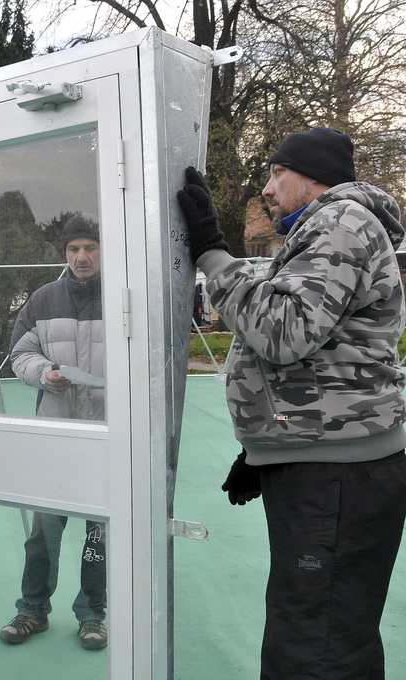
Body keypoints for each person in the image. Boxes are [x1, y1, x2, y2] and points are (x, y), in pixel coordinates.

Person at [177, 127, 406, 679]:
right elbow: (316, 352)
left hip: (339, 477)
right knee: (325, 631)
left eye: (277, 173)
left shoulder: (342, 222)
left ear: (312, 175)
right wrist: (268, 445)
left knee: (315, 648)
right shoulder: (325, 229)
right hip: (328, 465)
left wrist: (212, 250)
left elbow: (283, 331)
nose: (267, 188)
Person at [0, 214, 108, 651]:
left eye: (90, 248)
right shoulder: (42, 300)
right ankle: (32, 609)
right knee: (43, 530)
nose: (81, 257)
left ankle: (92, 615)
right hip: (56, 437)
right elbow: (19, 354)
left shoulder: (126, 296)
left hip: (107, 435)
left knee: (100, 533)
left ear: (104, 251)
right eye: (73, 249)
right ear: (64, 254)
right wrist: (45, 374)